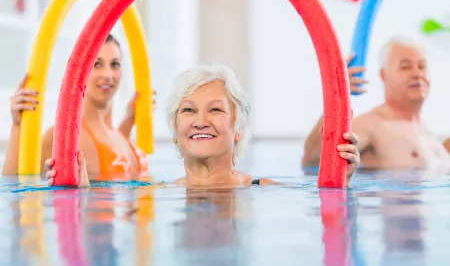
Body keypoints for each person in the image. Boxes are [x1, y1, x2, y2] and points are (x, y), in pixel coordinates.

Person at [45, 64, 360, 188]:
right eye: (188, 110)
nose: (200, 120)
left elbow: (331, 221)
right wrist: (77, 195)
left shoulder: (263, 190)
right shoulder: (155, 194)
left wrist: (340, 184)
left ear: (238, 129)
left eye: (216, 110)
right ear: (175, 134)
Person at [3, 34, 154, 180]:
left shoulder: (119, 137)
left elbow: (113, 162)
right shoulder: (63, 136)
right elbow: (16, 182)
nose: (108, 74)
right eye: (97, 64)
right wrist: (18, 125)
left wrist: (129, 120)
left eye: (115, 64)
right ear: (79, 70)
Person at [302, 36, 450, 171]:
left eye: (422, 66)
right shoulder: (370, 126)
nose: (418, 74)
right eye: (406, 67)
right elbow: (313, 161)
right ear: (383, 75)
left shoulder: (428, 134)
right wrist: (335, 97)